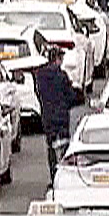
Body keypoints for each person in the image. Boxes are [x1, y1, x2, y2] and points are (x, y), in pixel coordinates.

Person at [32, 45, 81, 176]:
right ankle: (63, 174)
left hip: (48, 117)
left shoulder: (40, 76)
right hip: (62, 116)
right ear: (57, 59)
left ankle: (53, 174)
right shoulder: (62, 76)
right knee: (64, 146)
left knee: (51, 147)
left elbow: (39, 93)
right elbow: (70, 96)